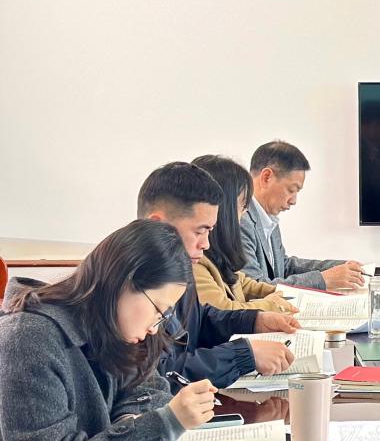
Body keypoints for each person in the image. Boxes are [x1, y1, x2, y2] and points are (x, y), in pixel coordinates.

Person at [0, 220, 217, 441]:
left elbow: (148, 388)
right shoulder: (27, 339)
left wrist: (128, 423)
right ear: (125, 282)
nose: (155, 327)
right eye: (158, 310)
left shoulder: (110, 325)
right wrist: (165, 423)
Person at [138, 162, 298, 387]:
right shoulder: (133, 286)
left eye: (210, 231)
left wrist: (254, 321)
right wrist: (243, 355)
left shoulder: (177, 268)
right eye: (199, 231)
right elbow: (159, 375)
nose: (206, 244)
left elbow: (199, 320)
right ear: (158, 225)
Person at [240, 141, 364, 289]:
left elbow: (284, 267)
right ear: (267, 177)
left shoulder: (268, 218)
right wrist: (323, 279)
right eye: (291, 190)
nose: (294, 201)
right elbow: (254, 288)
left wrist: (338, 268)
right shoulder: (241, 221)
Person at [191, 155, 297, 314]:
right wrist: (272, 304)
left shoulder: (217, 255)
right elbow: (224, 312)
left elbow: (244, 284)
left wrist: (287, 294)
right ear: (224, 211)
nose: (245, 214)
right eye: (242, 206)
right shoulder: (196, 261)